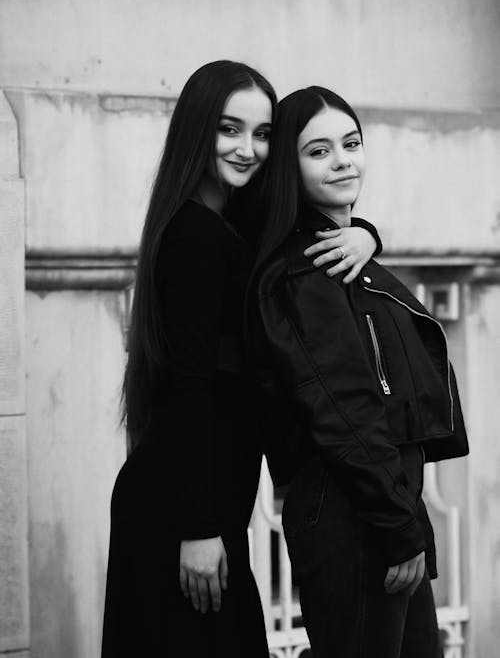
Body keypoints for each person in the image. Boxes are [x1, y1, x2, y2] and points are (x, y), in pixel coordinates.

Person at [101, 64, 380, 657]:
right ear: (198, 131)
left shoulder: (227, 223)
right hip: (184, 517)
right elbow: (190, 385)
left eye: (262, 134)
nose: (248, 150)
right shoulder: (195, 237)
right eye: (230, 130)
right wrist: (198, 528)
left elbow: (311, 224)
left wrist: (366, 235)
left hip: (207, 506)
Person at [247, 86, 469, 658]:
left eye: (351, 143)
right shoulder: (310, 271)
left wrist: (367, 233)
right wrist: (397, 527)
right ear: (289, 171)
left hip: (381, 496)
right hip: (351, 504)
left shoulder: (343, 254)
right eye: (318, 151)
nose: (343, 159)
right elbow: (344, 406)